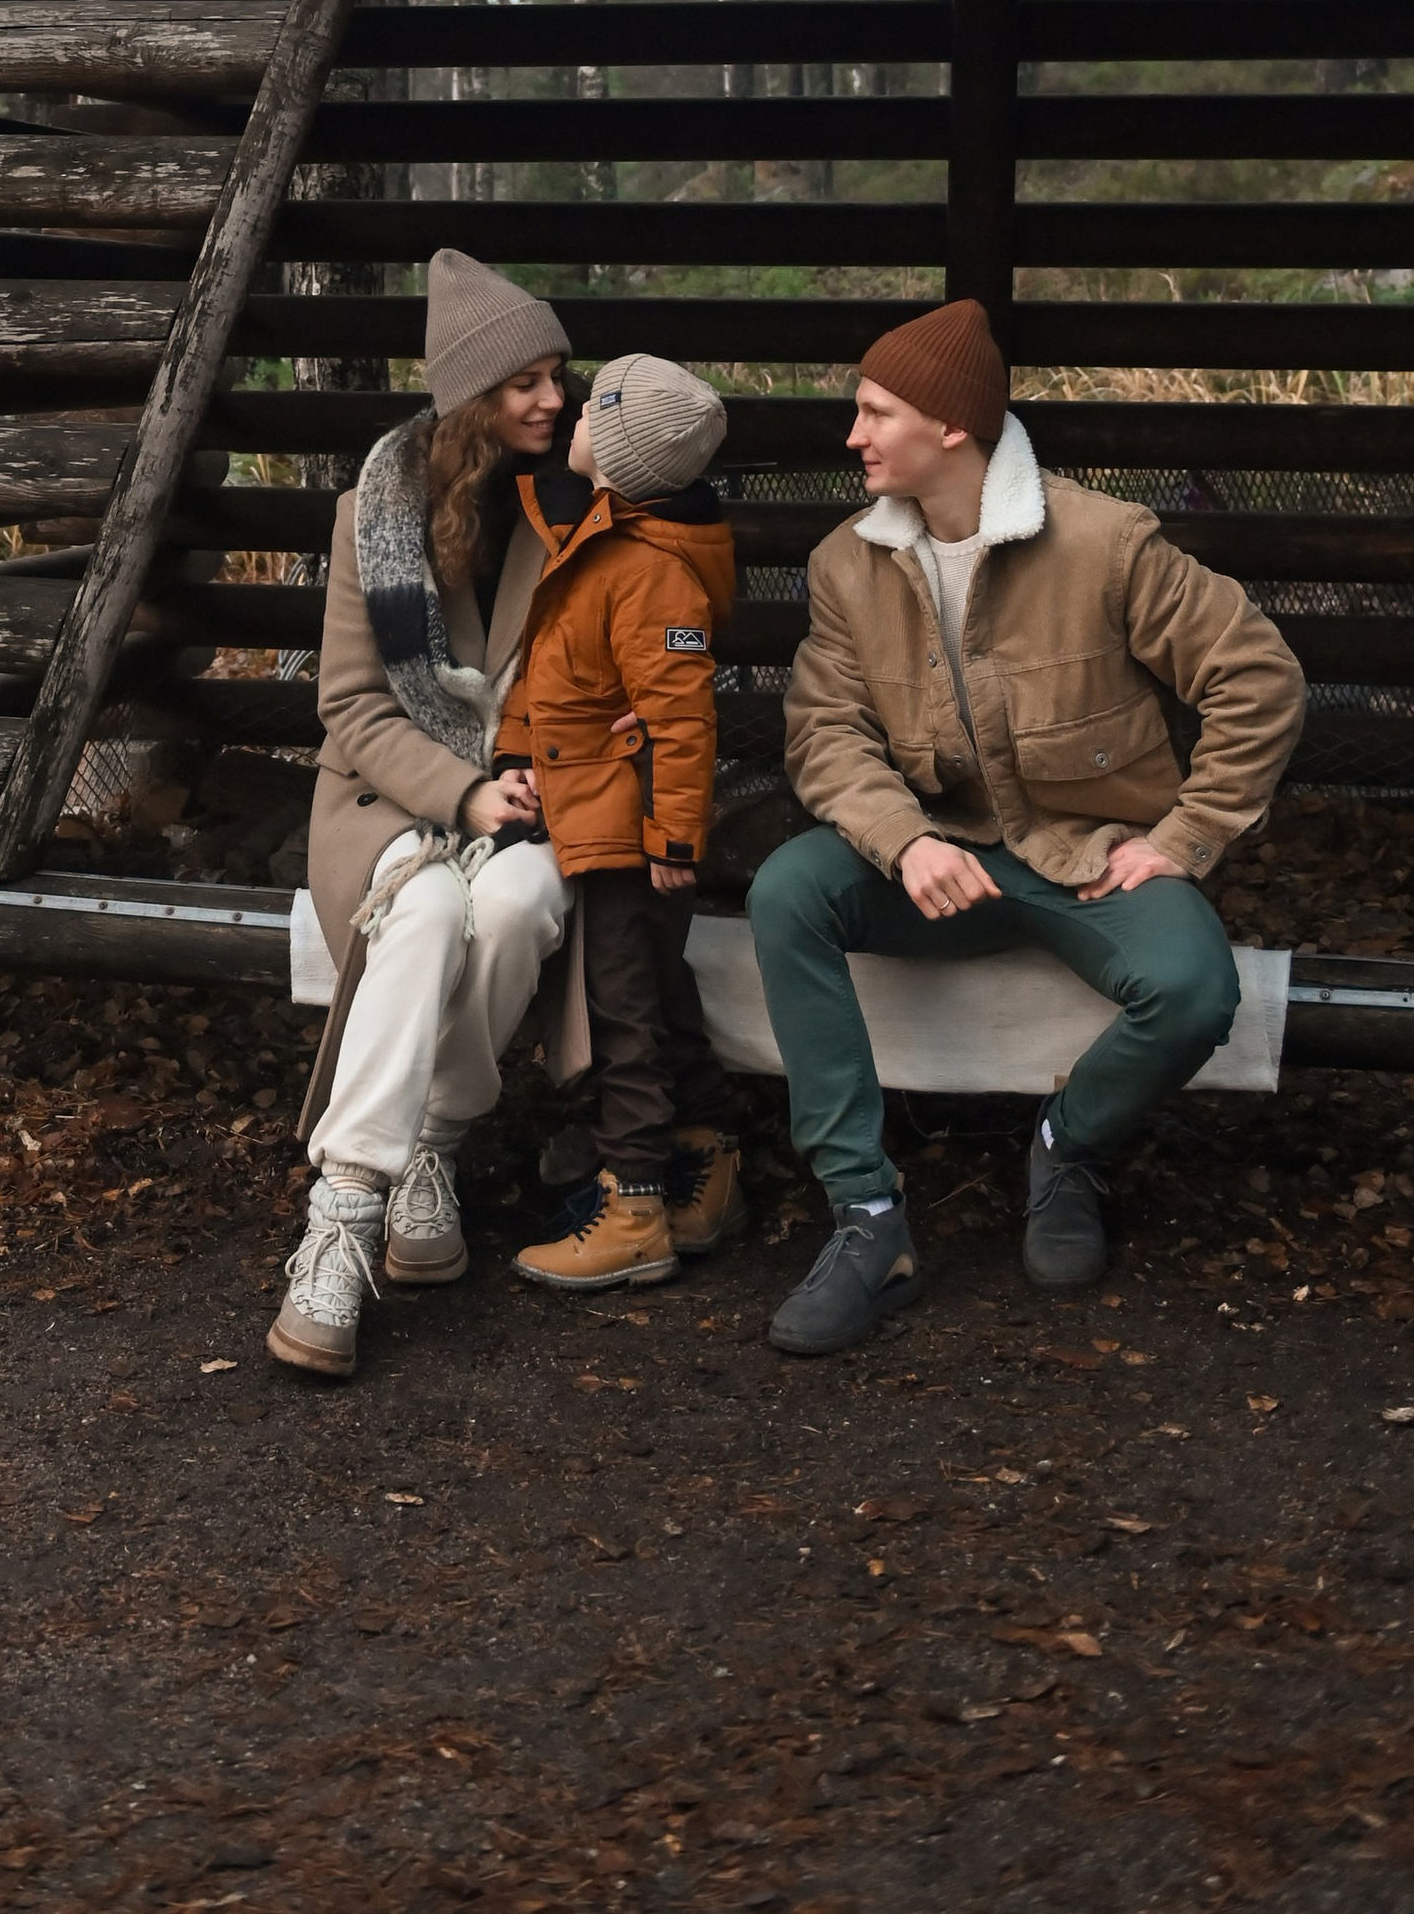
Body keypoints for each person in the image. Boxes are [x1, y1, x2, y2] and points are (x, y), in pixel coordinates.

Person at [748, 298, 1306, 1358]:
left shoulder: (1104, 541)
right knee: (786, 891)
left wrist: (1182, 837)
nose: (852, 434)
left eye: (874, 411)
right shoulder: (844, 563)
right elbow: (823, 733)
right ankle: (866, 1216)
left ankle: (1067, 1146)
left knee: (1194, 988)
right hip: (932, 861)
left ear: (951, 425)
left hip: (1083, 862)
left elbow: (1257, 676)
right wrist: (905, 840)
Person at [270, 247, 576, 1378]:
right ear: (466, 400)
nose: (552, 397)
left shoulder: (572, 501)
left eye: (557, 374)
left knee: (518, 899)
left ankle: (435, 1142)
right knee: (431, 906)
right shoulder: (376, 508)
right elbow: (347, 702)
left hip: (533, 795)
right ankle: (344, 1213)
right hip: (387, 795)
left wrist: (540, 773)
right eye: (524, 381)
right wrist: (458, 788)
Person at [504, 353, 749, 1293]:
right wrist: (512, 751)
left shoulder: (649, 571)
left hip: (629, 829)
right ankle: (706, 1164)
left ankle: (634, 1201)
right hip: (597, 807)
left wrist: (674, 840)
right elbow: (554, 673)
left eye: (587, 406)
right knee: (656, 990)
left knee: (623, 1015)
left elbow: (683, 718)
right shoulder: (607, 540)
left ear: (611, 448)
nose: (566, 409)